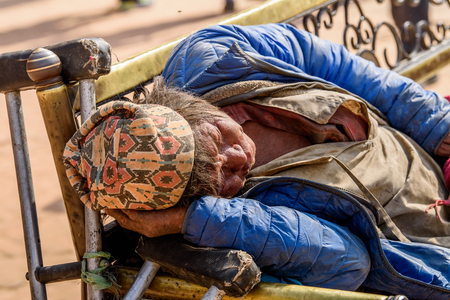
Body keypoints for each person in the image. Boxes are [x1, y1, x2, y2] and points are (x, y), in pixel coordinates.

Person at [65, 24, 450, 298]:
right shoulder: (245, 214)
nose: (238, 161)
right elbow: (348, 262)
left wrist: (434, 123)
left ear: (190, 107)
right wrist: (194, 218)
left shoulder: (213, 57)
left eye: (219, 139)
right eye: (218, 181)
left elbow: (325, 58)